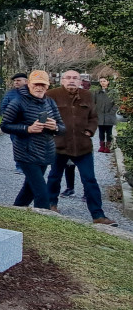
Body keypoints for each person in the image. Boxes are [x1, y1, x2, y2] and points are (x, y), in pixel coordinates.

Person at [45, 70, 118, 225]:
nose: (71, 80)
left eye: (75, 78)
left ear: (80, 81)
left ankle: (98, 215)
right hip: (59, 144)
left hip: (83, 145)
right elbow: (43, 115)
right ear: (62, 80)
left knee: (90, 180)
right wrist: (49, 131)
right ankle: (50, 206)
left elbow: (93, 117)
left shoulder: (87, 95)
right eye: (68, 78)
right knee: (54, 177)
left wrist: (90, 131)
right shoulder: (51, 95)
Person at [0, 70, 64, 212]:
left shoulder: (50, 102)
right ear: (29, 84)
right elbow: (4, 126)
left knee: (28, 190)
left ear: (48, 86)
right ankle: (45, 224)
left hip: (45, 152)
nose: (39, 87)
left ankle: (15, 214)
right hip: (26, 152)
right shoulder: (18, 102)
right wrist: (28, 129)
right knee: (42, 193)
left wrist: (55, 127)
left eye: (43, 84)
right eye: (36, 84)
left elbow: (62, 127)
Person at [0, 73, 29, 175]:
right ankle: (19, 166)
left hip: (29, 124)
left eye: (18, 80)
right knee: (17, 145)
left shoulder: (31, 92)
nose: (16, 82)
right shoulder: (10, 94)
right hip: (15, 125)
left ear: (26, 81)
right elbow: (3, 107)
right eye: (15, 81)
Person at [94, 76, 118, 153]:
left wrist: (111, 112)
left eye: (104, 81)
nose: (102, 83)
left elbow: (116, 104)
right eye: (101, 81)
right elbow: (93, 103)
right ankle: (101, 146)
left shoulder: (113, 92)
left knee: (109, 132)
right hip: (100, 115)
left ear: (108, 82)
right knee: (101, 132)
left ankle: (108, 147)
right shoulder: (97, 92)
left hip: (109, 116)